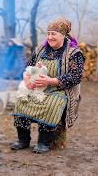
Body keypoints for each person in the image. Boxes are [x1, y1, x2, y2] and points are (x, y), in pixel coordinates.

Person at [11, 18, 85, 154]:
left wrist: (50, 81)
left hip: (60, 90)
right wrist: (27, 79)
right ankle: (23, 140)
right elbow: (28, 67)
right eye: (48, 33)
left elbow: (76, 77)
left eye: (53, 34)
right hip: (37, 88)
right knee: (21, 100)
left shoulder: (73, 53)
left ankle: (44, 142)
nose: (50, 37)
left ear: (63, 35)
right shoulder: (41, 50)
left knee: (51, 104)